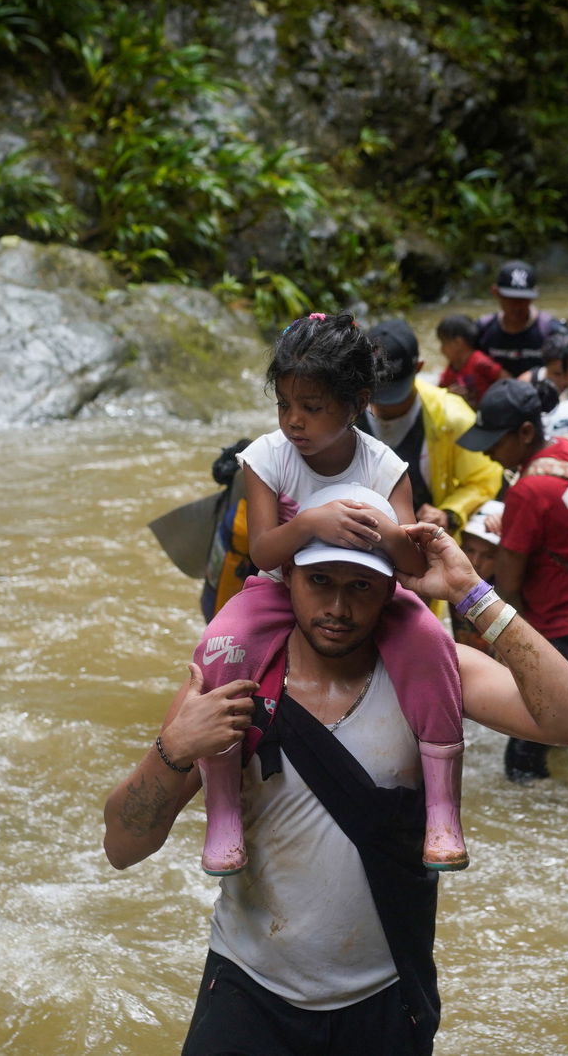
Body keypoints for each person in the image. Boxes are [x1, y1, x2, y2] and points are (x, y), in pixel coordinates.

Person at [102, 494, 568, 1056]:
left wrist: (471, 593)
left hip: (385, 999)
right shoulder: (231, 683)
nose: (338, 607)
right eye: (320, 581)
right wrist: (172, 749)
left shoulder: (432, 675)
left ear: (391, 590)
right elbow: (123, 846)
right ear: (287, 576)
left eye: (360, 586)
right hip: (249, 992)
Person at [194, 313, 469, 876]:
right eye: (285, 405)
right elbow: (265, 553)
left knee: (434, 646)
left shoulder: (383, 464)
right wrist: (312, 523)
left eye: (312, 407)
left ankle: (443, 809)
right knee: (221, 644)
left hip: (372, 589)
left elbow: (413, 564)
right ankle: (222, 809)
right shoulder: (267, 457)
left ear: (356, 401)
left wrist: (388, 533)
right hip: (281, 586)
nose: (295, 421)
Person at [457, 379, 568, 781]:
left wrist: (506, 648)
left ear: (526, 432)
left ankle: (560, 824)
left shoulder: (528, 491)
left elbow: (507, 588)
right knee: (563, 724)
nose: (491, 454)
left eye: (496, 442)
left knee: (522, 757)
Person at [359, 316, 505, 590]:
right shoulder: (343, 410)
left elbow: (485, 479)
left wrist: (449, 513)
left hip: (419, 554)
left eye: (395, 394)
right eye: (376, 393)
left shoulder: (454, 418)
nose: (386, 406)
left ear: (419, 368)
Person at [476, 259, 557, 378]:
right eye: (510, 298)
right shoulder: (482, 330)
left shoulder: (551, 331)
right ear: (495, 292)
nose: (517, 306)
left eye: (523, 299)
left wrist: (535, 376)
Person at [452, 500, 504, 652]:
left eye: (488, 556)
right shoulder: (437, 593)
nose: (475, 562)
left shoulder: (510, 599)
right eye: (469, 550)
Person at [434, 313, 505, 408]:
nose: (441, 350)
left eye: (443, 343)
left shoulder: (480, 362)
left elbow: (507, 382)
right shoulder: (452, 367)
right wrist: (448, 393)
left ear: (458, 342)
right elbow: (438, 392)